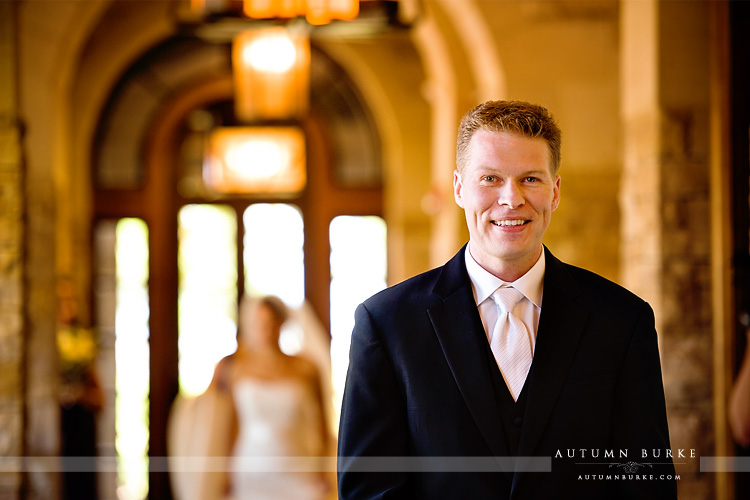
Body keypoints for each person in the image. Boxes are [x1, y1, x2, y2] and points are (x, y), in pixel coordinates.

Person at [337, 100, 677, 499]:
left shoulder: (622, 320)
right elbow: (368, 489)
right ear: (460, 188)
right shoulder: (387, 323)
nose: (511, 199)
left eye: (530, 179)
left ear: (556, 191)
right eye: (490, 179)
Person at [210, 295, 331, 500]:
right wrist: (224, 472)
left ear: (281, 324)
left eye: (270, 323)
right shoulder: (236, 369)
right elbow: (230, 425)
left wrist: (323, 467)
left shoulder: (306, 369)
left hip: (297, 469)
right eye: (260, 323)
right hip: (249, 470)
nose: (265, 330)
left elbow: (321, 425)